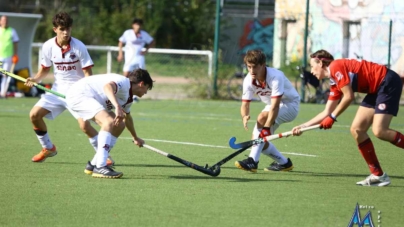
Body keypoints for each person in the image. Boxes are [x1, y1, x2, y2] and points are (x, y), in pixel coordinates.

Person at [291, 49, 404, 187]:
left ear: (320, 63)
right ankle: (378, 175)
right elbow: (327, 111)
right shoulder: (334, 83)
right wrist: (303, 126)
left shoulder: (335, 66)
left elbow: (349, 96)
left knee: (380, 130)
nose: (312, 70)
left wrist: (332, 117)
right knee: (357, 130)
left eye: (312, 66)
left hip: (387, 82)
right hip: (375, 90)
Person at [24, 12, 113, 166]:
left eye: (68, 29)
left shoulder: (79, 46)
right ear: (55, 29)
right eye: (62, 29)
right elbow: (45, 69)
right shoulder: (48, 46)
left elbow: (88, 74)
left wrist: (89, 95)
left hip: (78, 92)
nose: (66, 32)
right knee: (34, 115)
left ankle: (102, 155)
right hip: (56, 91)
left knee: (85, 126)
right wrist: (35, 79)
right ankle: (48, 148)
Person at [66, 69, 154, 178]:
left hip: (90, 99)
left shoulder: (128, 99)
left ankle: (93, 164)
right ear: (141, 84)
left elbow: (128, 118)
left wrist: (135, 137)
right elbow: (108, 87)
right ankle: (101, 166)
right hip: (79, 94)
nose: (146, 92)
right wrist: (117, 106)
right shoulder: (123, 82)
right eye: (147, 88)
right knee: (108, 122)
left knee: (119, 125)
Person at [234, 50, 300, 172]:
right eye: (249, 67)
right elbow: (245, 104)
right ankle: (284, 163)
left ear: (263, 65)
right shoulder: (248, 80)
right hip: (273, 105)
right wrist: (244, 116)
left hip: (290, 105)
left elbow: (275, 107)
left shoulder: (276, 77)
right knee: (259, 141)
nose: (252, 71)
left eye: (255, 67)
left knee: (262, 118)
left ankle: (252, 161)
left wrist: (267, 128)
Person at [0, 15, 19, 98]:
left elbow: (15, 43)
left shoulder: (12, 31)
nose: (5, 22)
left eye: (6, 20)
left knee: (5, 75)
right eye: (3, 20)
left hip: (8, 56)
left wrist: (15, 55)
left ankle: (2, 93)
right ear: (0, 21)